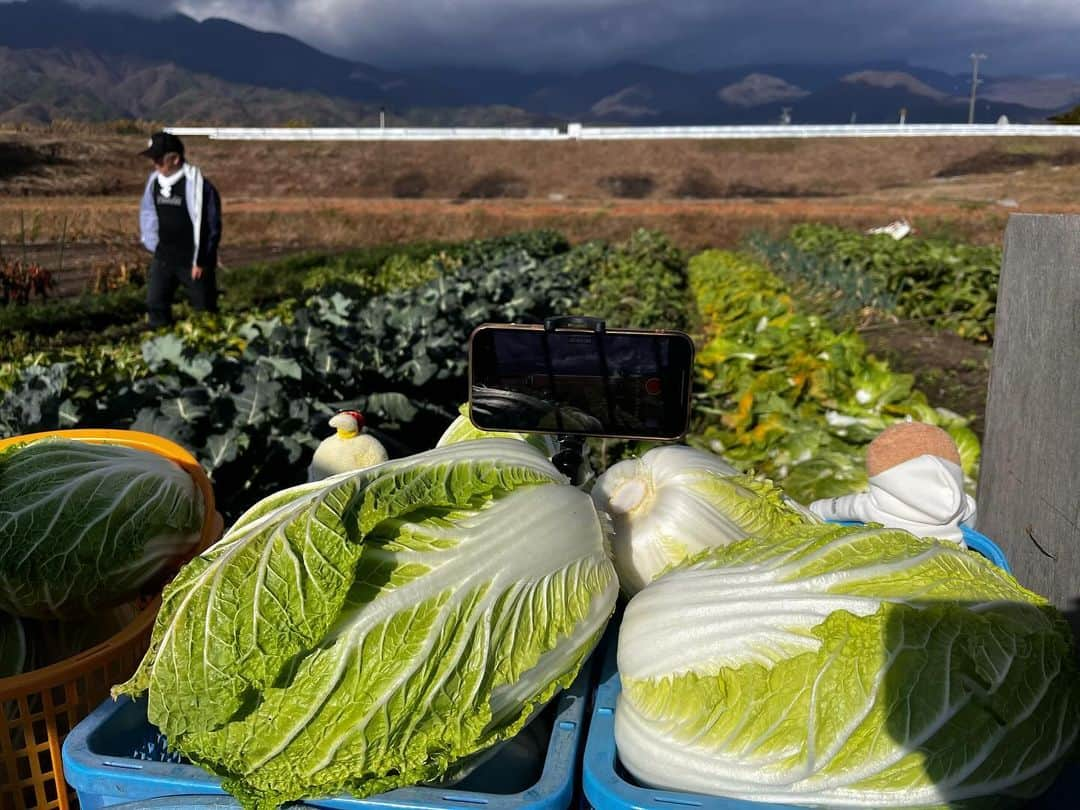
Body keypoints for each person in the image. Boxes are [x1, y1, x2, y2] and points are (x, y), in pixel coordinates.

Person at [138, 131, 222, 327]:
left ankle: (210, 349)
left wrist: (201, 260)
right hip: (164, 256)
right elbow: (148, 212)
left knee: (204, 310)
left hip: (192, 260)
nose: (155, 165)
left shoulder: (199, 186)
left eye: (159, 160)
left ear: (175, 159)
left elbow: (210, 225)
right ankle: (163, 347)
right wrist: (152, 243)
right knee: (155, 303)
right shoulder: (154, 182)